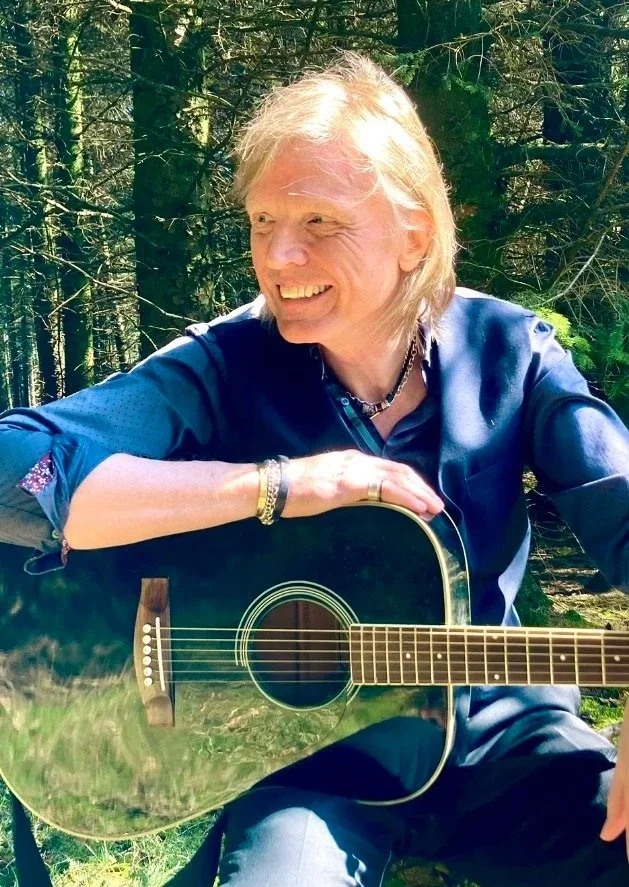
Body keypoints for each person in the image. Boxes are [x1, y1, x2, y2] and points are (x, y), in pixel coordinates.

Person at [1, 53, 628, 887]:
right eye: (262, 222)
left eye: (318, 222)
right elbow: (18, 473)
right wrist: (280, 485)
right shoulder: (225, 363)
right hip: (307, 765)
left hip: (504, 738)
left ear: (414, 232)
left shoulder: (509, 351)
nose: (278, 256)